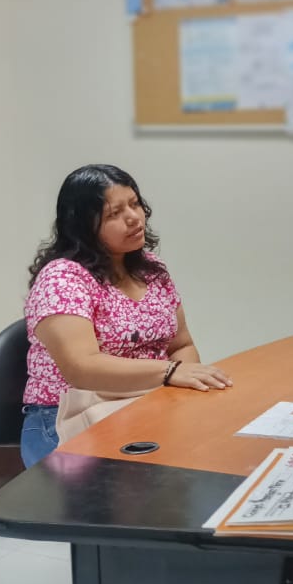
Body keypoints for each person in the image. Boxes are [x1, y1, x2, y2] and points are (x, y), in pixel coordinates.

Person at [20, 164, 231, 467]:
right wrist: (169, 373)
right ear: (83, 226)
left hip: (146, 403)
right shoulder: (62, 279)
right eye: (114, 214)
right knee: (137, 487)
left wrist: (184, 389)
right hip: (68, 418)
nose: (133, 217)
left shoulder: (152, 269)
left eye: (134, 204)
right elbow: (82, 368)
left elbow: (181, 344)